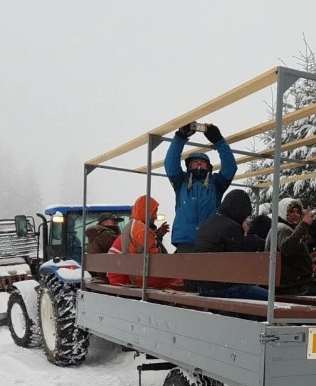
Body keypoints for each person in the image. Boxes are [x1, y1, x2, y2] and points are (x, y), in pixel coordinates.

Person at [164, 122, 238, 253]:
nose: (199, 163)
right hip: (185, 241)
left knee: (209, 273)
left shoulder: (216, 183)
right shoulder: (180, 181)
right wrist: (180, 137)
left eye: (202, 162)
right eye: (194, 162)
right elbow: (170, 165)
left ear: (209, 167)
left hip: (210, 239)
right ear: (188, 167)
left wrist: (219, 141)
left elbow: (230, 168)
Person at [195, 189, 268, 301]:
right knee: (270, 298)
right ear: (240, 210)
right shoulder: (232, 227)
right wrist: (246, 236)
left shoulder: (208, 223)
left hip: (204, 286)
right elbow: (239, 263)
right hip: (221, 287)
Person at [107, 194, 182, 289]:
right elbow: (156, 261)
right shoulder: (142, 230)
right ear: (146, 212)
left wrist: (157, 235)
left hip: (130, 273)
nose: (155, 217)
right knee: (182, 279)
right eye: (154, 213)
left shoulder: (132, 225)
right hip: (139, 278)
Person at [265, 198, 316, 296]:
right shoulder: (282, 228)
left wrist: (308, 260)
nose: (295, 214)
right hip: (293, 285)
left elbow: (288, 255)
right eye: (291, 211)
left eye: (298, 212)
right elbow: (286, 248)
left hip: (291, 283)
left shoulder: (281, 227)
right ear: (283, 211)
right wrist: (303, 225)